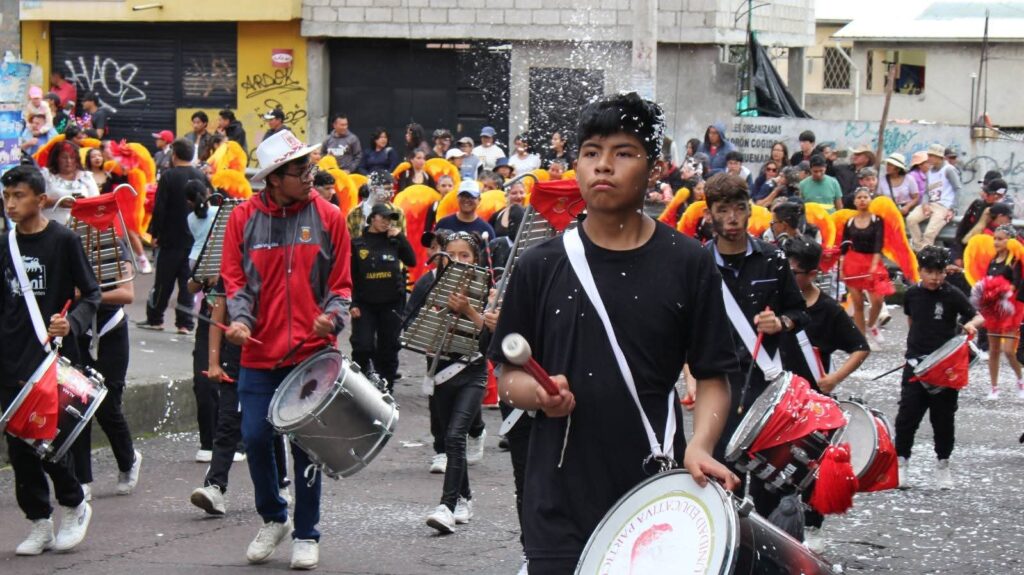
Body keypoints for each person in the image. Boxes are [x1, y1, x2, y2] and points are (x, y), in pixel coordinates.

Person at [490, 92, 740, 572]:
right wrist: (538, 394)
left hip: (654, 489)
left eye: (623, 153)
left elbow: (713, 374)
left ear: (654, 169)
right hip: (557, 496)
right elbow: (508, 378)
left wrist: (701, 446)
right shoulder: (539, 265)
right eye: (591, 152)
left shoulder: (689, 263)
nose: (603, 165)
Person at [221, 130, 352, 570]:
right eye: (301, 169)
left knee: (307, 448)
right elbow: (235, 282)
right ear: (274, 178)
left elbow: (341, 287)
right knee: (256, 437)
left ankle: (307, 532)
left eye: (310, 166)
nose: (310, 175)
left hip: (313, 356)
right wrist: (240, 321)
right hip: (259, 355)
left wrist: (332, 318)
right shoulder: (242, 218)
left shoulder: (330, 217)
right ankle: (274, 517)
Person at [0, 164, 101, 555]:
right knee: (19, 446)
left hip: (49, 358)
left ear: (40, 199)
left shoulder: (63, 240)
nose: (10, 204)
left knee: (50, 443)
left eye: (19, 196)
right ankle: (39, 522)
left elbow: (91, 294)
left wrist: (70, 324)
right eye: (6, 196)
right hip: (10, 357)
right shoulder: (5, 244)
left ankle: (75, 505)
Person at [704, 171, 808, 518]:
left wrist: (781, 323)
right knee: (722, 477)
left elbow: (799, 311)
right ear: (709, 214)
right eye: (722, 210)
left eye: (738, 208)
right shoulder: (698, 263)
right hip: (718, 383)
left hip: (766, 381)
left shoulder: (773, 259)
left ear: (750, 210)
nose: (732, 218)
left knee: (770, 482)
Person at [779, 237, 870, 553]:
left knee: (810, 466)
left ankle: (813, 524)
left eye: (795, 272)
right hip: (778, 397)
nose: (788, 277)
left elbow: (860, 347)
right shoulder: (774, 301)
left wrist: (834, 379)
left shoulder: (828, 309)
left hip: (812, 401)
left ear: (813, 274)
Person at [416, 230, 492, 535]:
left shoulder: (489, 291)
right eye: (452, 255)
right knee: (450, 438)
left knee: (456, 436)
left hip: (472, 373)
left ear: (475, 259)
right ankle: (464, 499)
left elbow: (492, 342)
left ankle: (446, 506)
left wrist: (469, 310)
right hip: (440, 373)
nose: (458, 261)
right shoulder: (428, 284)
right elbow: (409, 323)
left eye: (465, 256)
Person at [895, 246, 982, 490]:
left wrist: (970, 326)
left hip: (945, 367)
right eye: (929, 272)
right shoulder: (912, 294)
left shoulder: (952, 294)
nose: (935, 277)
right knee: (907, 417)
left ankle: (943, 463)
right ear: (920, 271)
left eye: (939, 272)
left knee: (943, 419)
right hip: (916, 364)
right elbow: (912, 321)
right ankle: (901, 462)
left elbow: (977, 316)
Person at [69, 218, 142, 502]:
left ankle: (128, 460)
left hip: (111, 329)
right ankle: (82, 479)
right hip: (78, 329)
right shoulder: (68, 245)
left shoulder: (116, 246)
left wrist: (89, 295)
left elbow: (127, 294)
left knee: (108, 405)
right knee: (79, 404)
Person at [138, 139, 205, 333]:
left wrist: (155, 233)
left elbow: (160, 206)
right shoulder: (200, 175)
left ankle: (155, 318)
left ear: (174, 155)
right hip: (194, 240)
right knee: (187, 284)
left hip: (170, 238)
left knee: (163, 282)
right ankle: (185, 323)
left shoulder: (169, 176)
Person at [349, 203, 416, 390]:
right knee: (363, 346)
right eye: (383, 217)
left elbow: (412, 261)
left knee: (389, 348)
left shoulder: (394, 241)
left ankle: (386, 388)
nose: (387, 222)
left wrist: (400, 237)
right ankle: (361, 385)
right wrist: (352, 303)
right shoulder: (357, 244)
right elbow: (350, 275)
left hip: (392, 303)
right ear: (372, 218)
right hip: (365, 304)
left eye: (390, 219)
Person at [842, 187, 895, 349]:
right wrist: (842, 265)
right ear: (854, 201)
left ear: (870, 199)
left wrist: (873, 265)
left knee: (877, 300)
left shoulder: (877, 220)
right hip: (853, 262)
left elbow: (879, 244)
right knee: (858, 304)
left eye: (865, 197)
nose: (862, 200)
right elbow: (844, 245)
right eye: (859, 197)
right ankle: (861, 340)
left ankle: (871, 324)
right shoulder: (849, 221)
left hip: (872, 261)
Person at [977, 224, 1024, 400]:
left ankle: (1020, 379)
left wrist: (1000, 291)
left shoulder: (1014, 261)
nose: (996, 242)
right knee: (994, 350)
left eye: (1001, 239)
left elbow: (1015, 284)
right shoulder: (992, 260)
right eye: (995, 238)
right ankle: (994, 387)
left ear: (1010, 241)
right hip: (993, 309)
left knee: (1009, 351)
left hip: (1010, 309)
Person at [906, 144, 962, 250]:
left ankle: (924, 253)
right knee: (911, 219)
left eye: (931, 156)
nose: (929, 158)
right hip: (930, 204)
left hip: (944, 206)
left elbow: (958, 188)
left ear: (938, 157)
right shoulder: (929, 172)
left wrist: (953, 208)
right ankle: (920, 248)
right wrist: (925, 204)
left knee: (929, 233)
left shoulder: (948, 170)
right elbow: (926, 191)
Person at [41, 140, 98, 225]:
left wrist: (83, 202)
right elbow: (36, 201)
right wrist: (58, 202)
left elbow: (96, 201)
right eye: (64, 157)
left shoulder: (86, 177)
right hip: (51, 225)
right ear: (56, 159)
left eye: (72, 157)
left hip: (81, 226)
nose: (69, 161)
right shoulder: (46, 176)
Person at [347, 170, 407, 239]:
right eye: (387, 189)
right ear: (373, 189)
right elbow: (350, 241)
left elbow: (403, 241)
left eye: (392, 190)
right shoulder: (355, 212)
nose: (391, 194)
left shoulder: (397, 212)